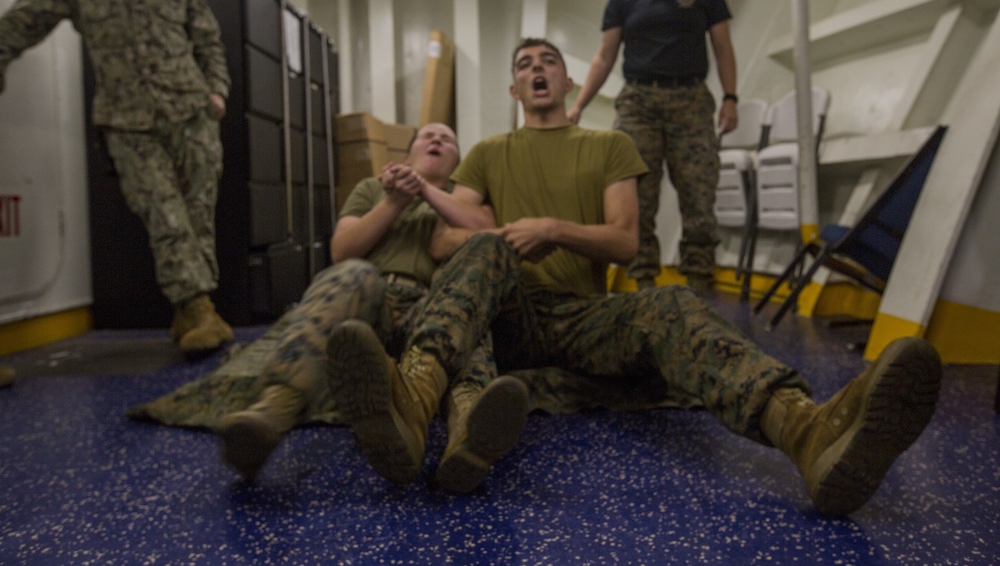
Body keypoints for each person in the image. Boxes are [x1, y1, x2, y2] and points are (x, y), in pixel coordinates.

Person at [327, 37, 943, 516]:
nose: (537, 70)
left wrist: (554, 228)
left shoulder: (610, 146)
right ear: (514, 87)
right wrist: (505, 235)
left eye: (548, 62)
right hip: (507, 309)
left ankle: (807, 431)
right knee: (486, 253)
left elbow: (625, 241)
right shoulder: (489, 151)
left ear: (570, 81)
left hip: (579, 317)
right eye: (524, 65)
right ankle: (412, 398)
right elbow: (445, 236)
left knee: (669, 306)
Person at [218, 123, 529, 492]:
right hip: (371, 305)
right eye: (428, 136)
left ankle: (468, 434)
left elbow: (482, 232)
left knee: (467, 314)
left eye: (448, 140)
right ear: (408, 154)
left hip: (434, 313)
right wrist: (395, 201)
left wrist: (425, 191)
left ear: (457, 163)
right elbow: (342, 250)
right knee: (351, 273)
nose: (437, 141)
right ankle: (274, 412)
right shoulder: (371, 189)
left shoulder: (467, 201)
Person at [0, 0, 233, 353]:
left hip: (191, 118)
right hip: (127, 123)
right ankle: (201, 308)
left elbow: (209, 40)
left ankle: (189, 314)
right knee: (164, 214)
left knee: (196, 220)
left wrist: (217, 92)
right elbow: (23, 20)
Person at [567, 0, 738, 294]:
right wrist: (578, 105)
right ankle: (644, 285)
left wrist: (730, 97)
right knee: (635, 198)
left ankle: (698, 287)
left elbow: (724, 48)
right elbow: (604, 56)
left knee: (699, 194)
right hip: (639, 103)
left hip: (691, 101)